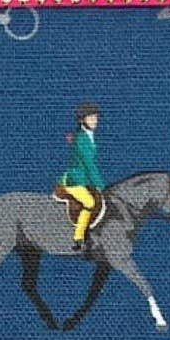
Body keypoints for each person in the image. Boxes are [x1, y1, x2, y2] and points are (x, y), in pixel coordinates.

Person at [56, 102, 106, 254]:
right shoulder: (82, 139)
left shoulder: (88, 136)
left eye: (95, 118)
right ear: (82, 120)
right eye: (90, 118)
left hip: (85, 179)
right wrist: (100, 185)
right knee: (89, 203)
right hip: (76, 180)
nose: (94, 121)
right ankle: (78, 238)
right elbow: (89, 164)